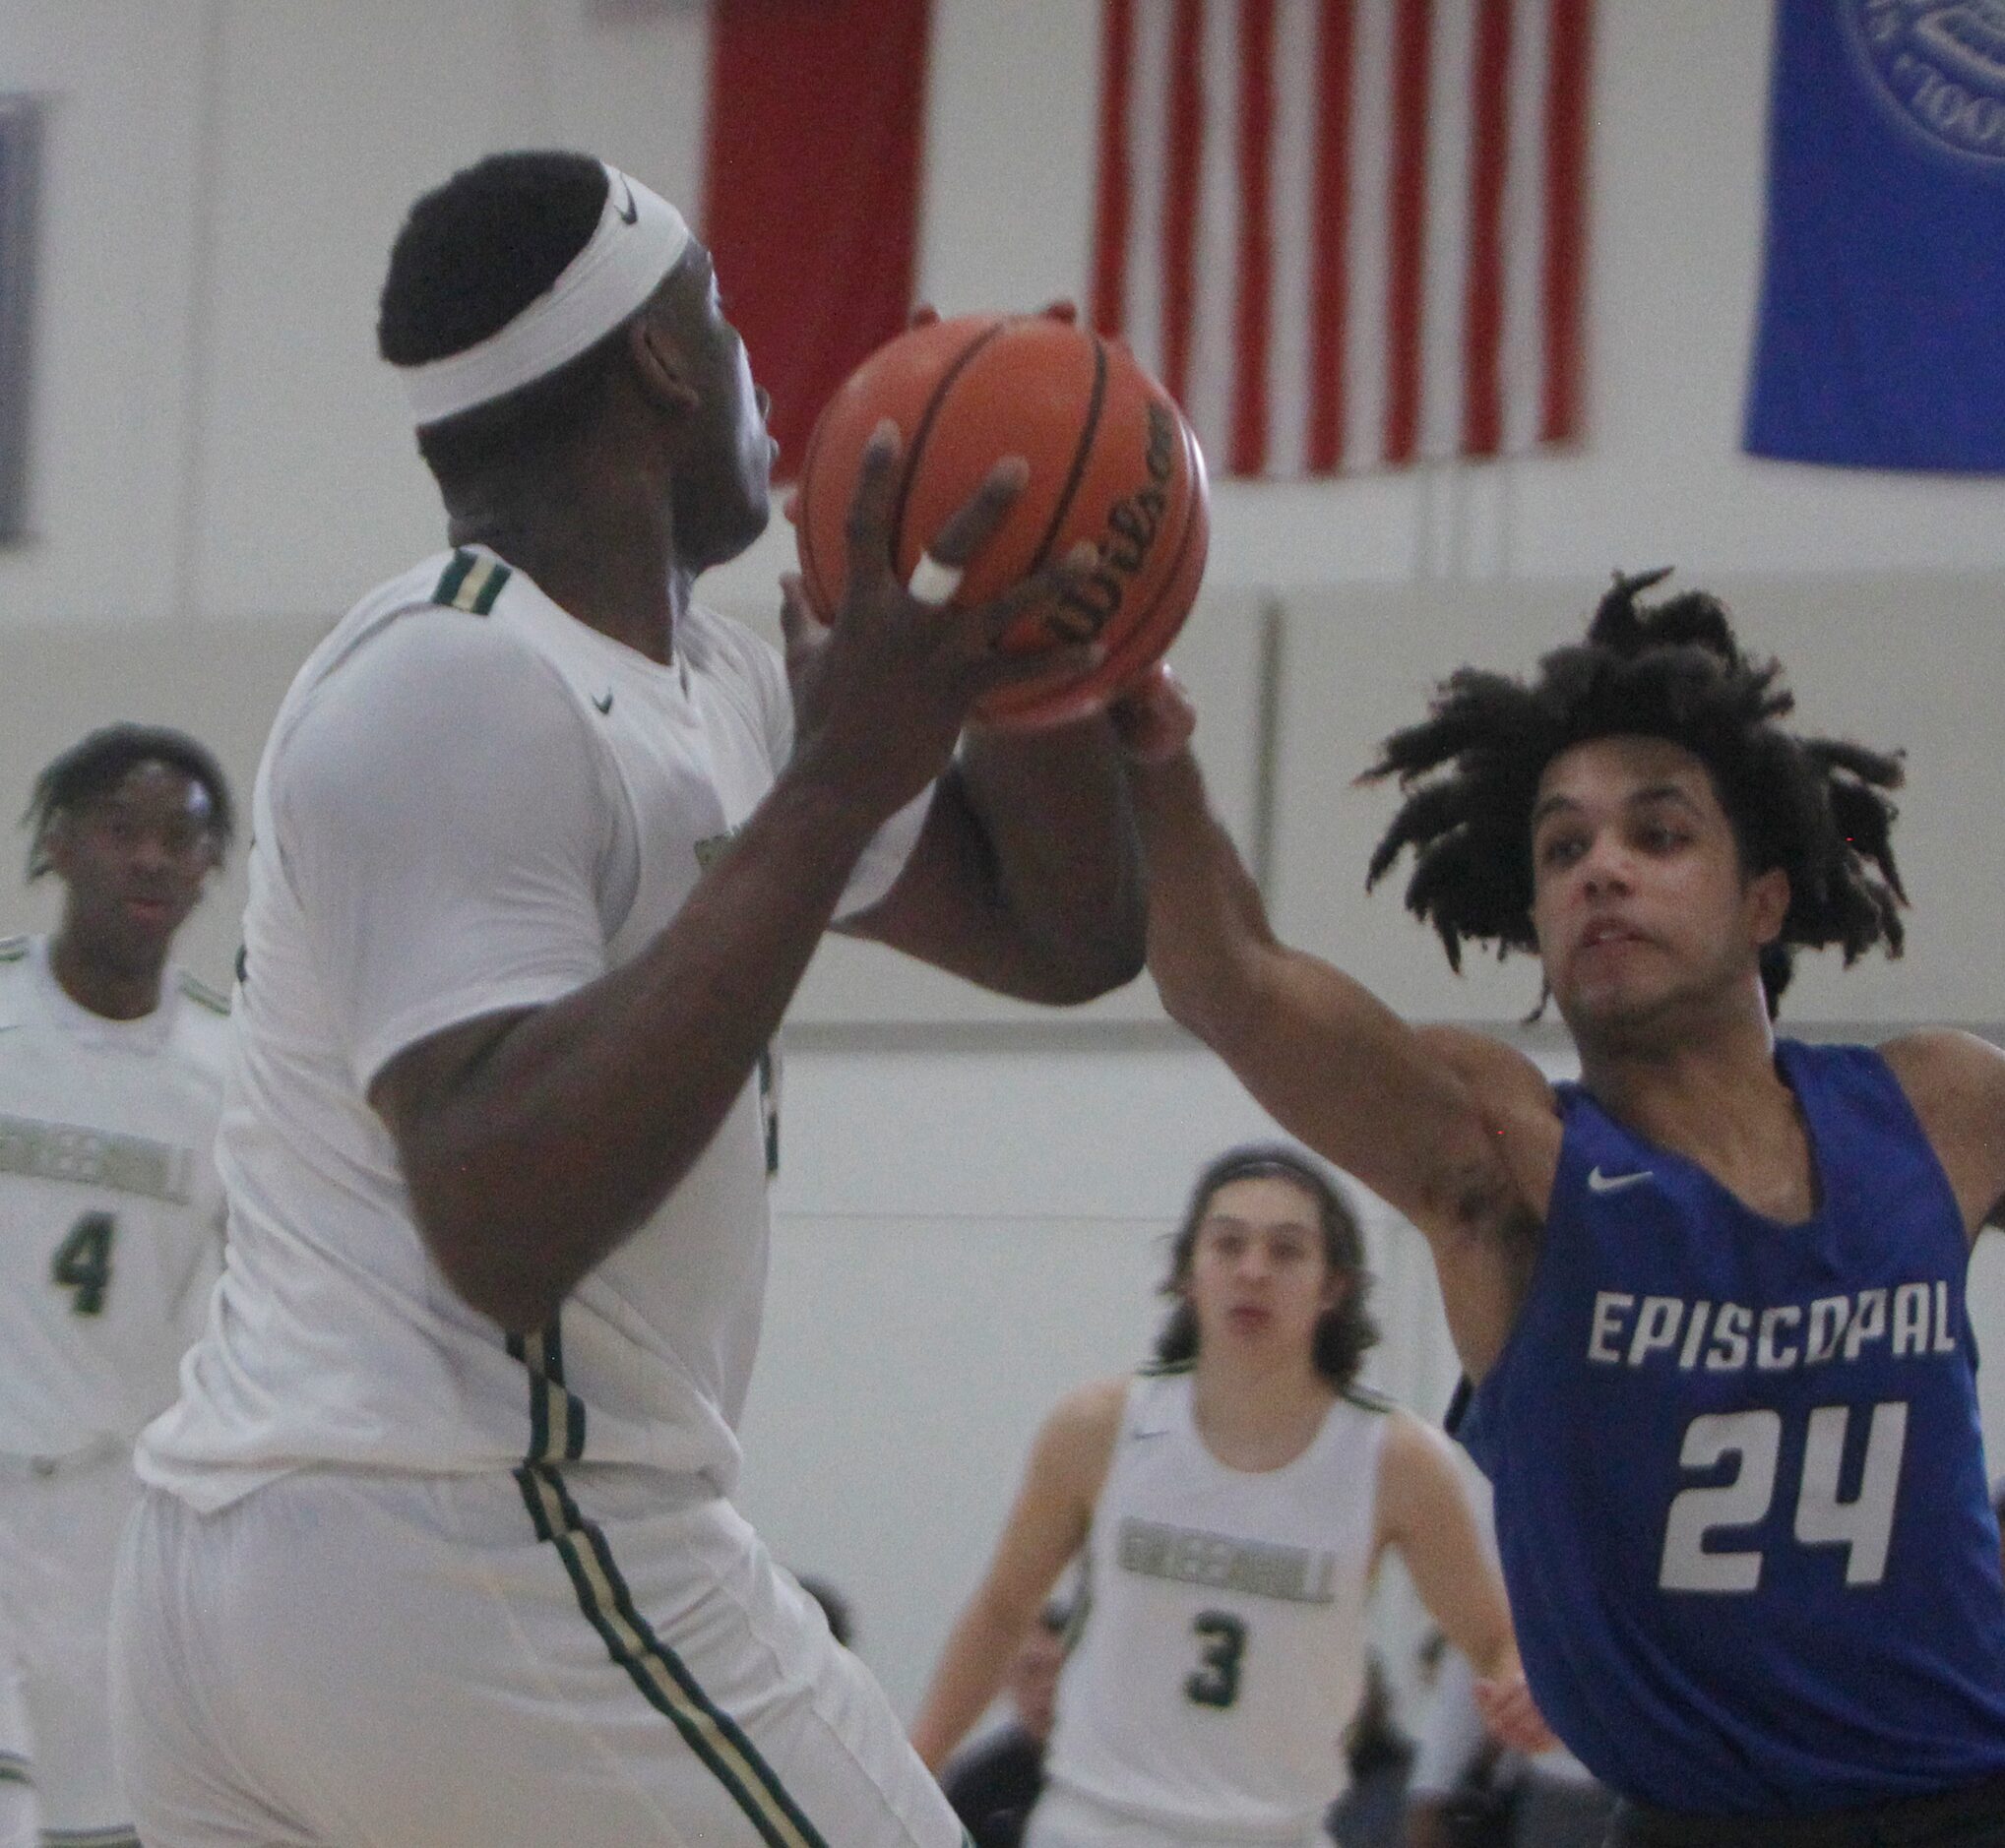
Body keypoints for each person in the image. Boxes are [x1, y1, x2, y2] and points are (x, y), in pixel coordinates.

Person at [107, 151, 1146, 1848]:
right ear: (662, 362)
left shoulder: (726, 688)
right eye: (723, 317)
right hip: (473, 1530)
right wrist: (830, 792)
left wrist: (1025, 666)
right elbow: (499, 1213)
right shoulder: (448, 676)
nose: (755, 368)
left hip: (272, 1581)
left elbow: (1066, 933)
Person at [1119, 571, 2005, 1842]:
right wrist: (1153, 752)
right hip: (1697, 1819)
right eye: (1562, 846)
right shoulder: (1506, 1156)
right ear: (1533, 919)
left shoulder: (1936, 1103)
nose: (1602, 869)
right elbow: (1230, 983)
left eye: (1656, 834)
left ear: (1762, 898)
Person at [911, 1143, 1545, 1848]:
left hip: (1281, 1830)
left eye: (1286, 1250)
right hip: (1098, 1825)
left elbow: (1492, 1641)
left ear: (1332, 1285)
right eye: (1229, 1244)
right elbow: (1002, 1610)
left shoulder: (1394, 1458)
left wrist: (1525, 1688)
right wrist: (908, 1772)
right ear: (1188, 1272)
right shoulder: (1098, 1428)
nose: (1252, 1271)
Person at [0, 725, 233, 1848]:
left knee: (99, 1829)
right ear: (58, 846)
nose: (150, 859)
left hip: (118, 1520)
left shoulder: (234, 1075)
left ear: (208, 871)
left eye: (179, 839)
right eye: (121, 831)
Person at [940, 1596, 1072, 1848]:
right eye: (1033, 1670)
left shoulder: (1114, 1774)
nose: (1047, 1687)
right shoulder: (979, 1784)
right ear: (1010, 1678)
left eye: (1059, 1670)